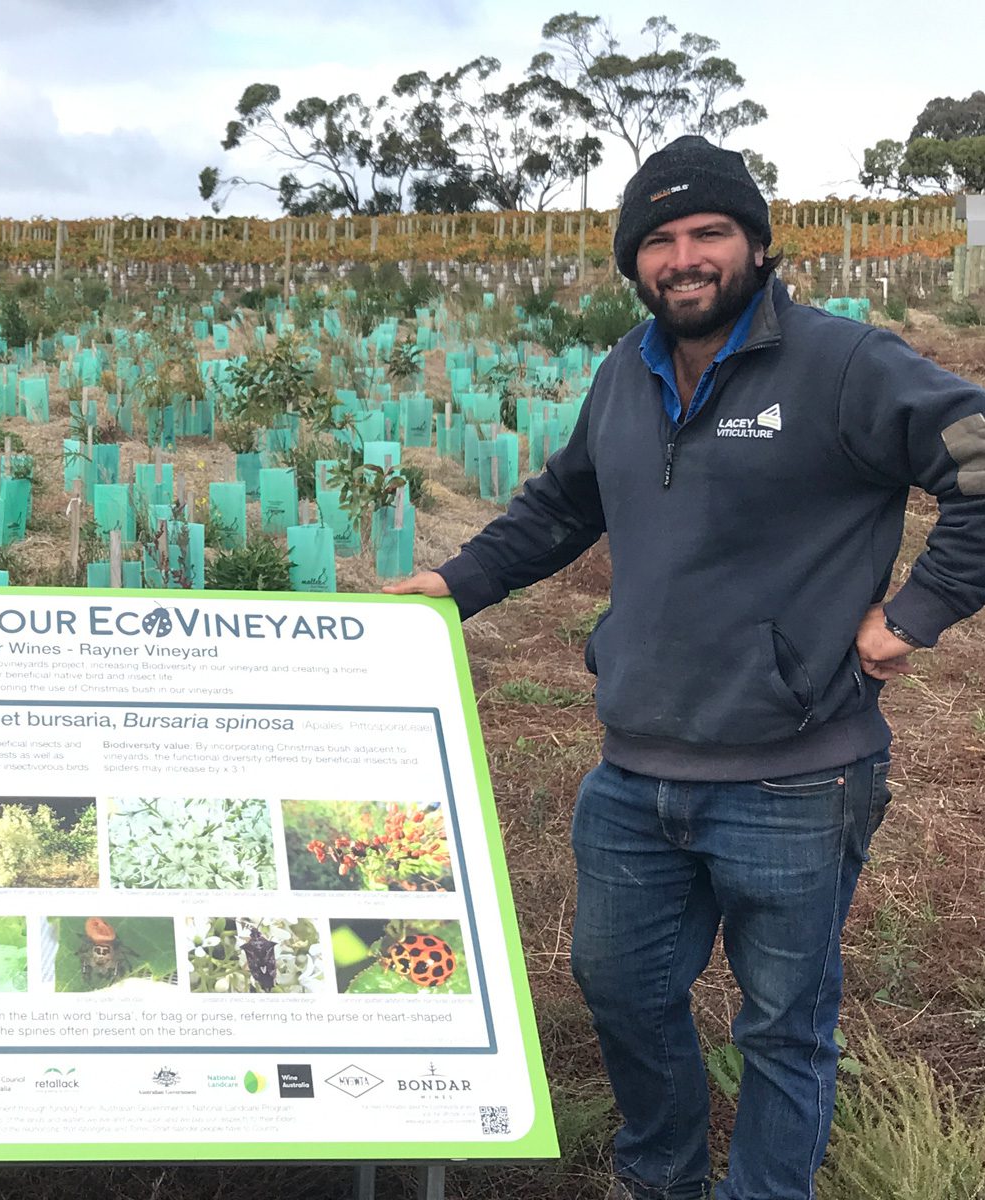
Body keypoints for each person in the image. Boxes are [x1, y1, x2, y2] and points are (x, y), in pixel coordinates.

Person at [386, 135, 985, 1199]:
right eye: (658, 240)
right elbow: (564, 504)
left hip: (797, 775)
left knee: (783, 1029)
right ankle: (660, 1178)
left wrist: (916, 612)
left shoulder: (843, 364)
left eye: (710, 231)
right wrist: (454, 583)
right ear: (635, 261)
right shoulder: (628, 370)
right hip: (634, 772)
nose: (685, 258)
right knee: (620, 989)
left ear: (756, 243)